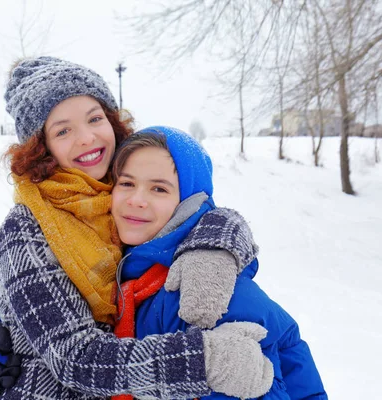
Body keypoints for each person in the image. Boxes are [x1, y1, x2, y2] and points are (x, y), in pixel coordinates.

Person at [0, 56, 273, 399]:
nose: (86, 138)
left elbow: (194, 208)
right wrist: (204, 361)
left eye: (94, 118)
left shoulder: (120, 190)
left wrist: (215, 244)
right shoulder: (26, 230)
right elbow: (75, 357)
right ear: (42, 149)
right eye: (63, 130)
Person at [109, 126, 327, 399]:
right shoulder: (132, 274)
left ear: (188, 202)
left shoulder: (204, 293)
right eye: (127, 183)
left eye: (159, 188)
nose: (137, 200)